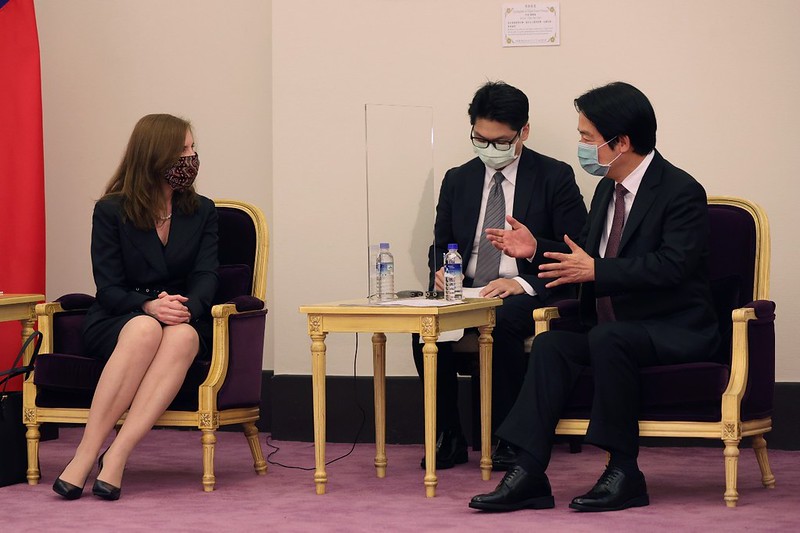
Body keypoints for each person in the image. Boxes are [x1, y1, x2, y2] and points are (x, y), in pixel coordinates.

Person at [469, 82, 720, 512]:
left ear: (620, 142)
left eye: (587, 137)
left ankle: (624, 471)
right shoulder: (607, 188)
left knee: (608, 337)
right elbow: (583, 256)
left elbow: (673, 266)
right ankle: (528, 471)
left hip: (672, 328)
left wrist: (598, 271)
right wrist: (536, 248)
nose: (582, 146)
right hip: (615, 329)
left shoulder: (680, 190)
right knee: (551, 345)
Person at [411, 81, 587, 471]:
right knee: (424, 327)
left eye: (501, 141)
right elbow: (439, 244)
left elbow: (578, 250)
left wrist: (522, 278)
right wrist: (440, 272)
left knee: (502, 321)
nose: (490, 149)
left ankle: (509, 436)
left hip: (525, 290)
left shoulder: (554, 176)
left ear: (524, 132)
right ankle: (447, 435)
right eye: (481, 139)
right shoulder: (458, 179)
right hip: (466, 290)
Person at [52, 114, 219, 501]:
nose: (191, 158)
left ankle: (118, 454)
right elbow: (108, 287)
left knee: (183, 337)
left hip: (180, 314)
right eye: (182, 149)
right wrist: (147, 306)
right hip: (119, 316)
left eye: (193, 148)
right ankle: (86, 453)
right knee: (145, 329)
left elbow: (206, 274)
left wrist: (186, 309)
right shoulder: (111, 210)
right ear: (155, 154)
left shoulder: (202, 210)